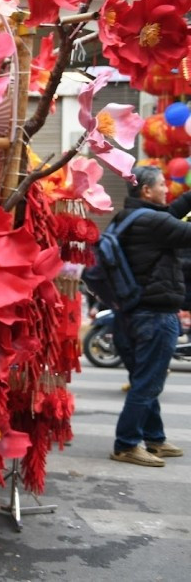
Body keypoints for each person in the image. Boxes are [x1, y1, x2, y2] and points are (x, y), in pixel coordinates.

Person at [110, 165, 191, 467]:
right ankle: (126, 444)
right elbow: (179, 228)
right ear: (146, 190)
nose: (166, 189)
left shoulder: (128, 218)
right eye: (161, 185)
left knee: (144, 379)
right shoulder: (154, 223)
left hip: (129, 314)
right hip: (154, 316)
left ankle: (154, 438)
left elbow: (171, 211)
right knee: (147, 383)